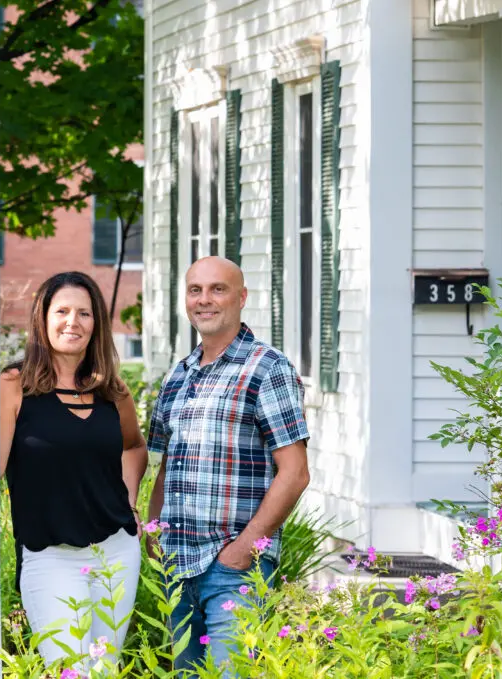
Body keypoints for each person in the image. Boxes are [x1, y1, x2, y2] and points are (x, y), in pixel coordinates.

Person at [146, 256, 310, 674]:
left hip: (233, 568)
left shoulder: (267, 368)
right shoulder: (177, 376)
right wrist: (153, 531)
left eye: (218, 289)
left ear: (241, 298)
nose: (205, 300)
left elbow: (295, 472)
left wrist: (243, 549)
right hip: (178, 565)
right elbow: (167, 465)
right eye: (195, 290)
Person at [0, 271, 149, 668]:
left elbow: (133, 446)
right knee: (71, 670)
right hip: (49, 555)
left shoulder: (111, 389)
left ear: (96, 323)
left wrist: (130, 500)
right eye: (62, 311)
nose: (73, 322)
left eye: (84, 313)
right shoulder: (15, 385)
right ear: (42, 318)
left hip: (116, 552)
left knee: (104, 668)